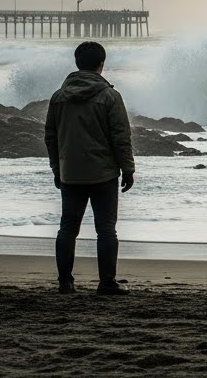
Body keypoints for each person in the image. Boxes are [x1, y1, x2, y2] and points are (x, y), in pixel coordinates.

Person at [44, 41, 136, 295]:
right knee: (106, 230)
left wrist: (57, 169)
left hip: (70, 173)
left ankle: (65, 282)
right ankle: (106, 282)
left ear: (77, 63)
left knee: (67, 228)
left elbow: (50, 137)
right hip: (103, 173)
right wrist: (128, 168)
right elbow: (121, 137)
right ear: (101, 65)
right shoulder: (110, 96)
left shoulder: (59, 97)